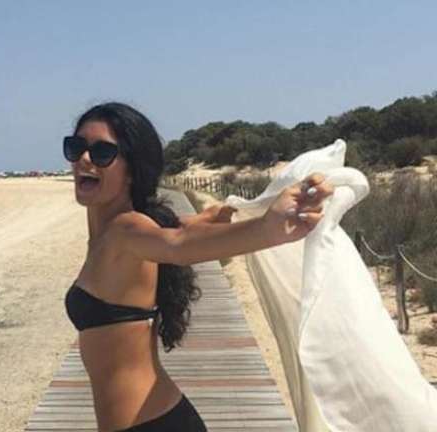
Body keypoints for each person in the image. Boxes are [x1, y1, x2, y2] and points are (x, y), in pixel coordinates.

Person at [62, 102, 334, 432]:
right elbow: (183, 227)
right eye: (76, 147)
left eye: (102, 152)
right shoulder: (120, 231)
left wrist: (267, 229)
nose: (84, 159)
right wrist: (217, 216)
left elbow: (177, 244)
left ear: (132, 169)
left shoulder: (126, 230)